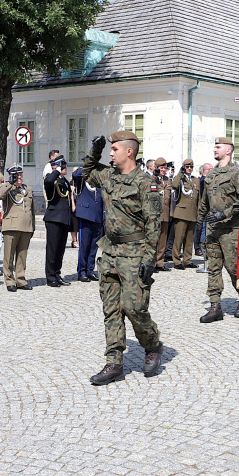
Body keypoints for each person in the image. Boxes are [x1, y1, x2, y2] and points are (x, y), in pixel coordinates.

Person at [80, 132, 164, 385]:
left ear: (129, 151)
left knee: (134, 308)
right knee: (112, 309)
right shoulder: (109, 175)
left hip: (135, 253)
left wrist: (150, 259)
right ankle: (114, 363)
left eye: (113, 149)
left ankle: (152, 345)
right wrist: (94, 151)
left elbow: (153, 222)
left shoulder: (144, 182)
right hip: (110, 252)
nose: (110, 153)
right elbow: (87, 173)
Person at [197, 138, 239, 322]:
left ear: (228, 150)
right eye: (215, 146)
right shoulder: (211, 174)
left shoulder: (237, 173)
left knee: (232, 267)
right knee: (213, 267)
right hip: (213, 228)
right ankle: (215, 307)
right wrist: (199, 224)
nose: (215, 149)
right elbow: (204, 201)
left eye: (218, 147)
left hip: (230, 229)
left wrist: (225, 213)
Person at [0, 165, 35, 291]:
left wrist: (32, 226)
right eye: (16, 175)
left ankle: (20, 279)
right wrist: (10, 183)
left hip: (26, 227)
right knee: (9, 256)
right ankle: (9, 281)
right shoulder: (7, 188)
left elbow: (32, 210)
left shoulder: (27, 189)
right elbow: (0, 195)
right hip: (11, 226)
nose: (19, 177)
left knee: (22, 256)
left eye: (21, 175)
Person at [42, 154, 73, 287]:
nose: (65, 167)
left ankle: (57, 274)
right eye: (62, 165)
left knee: (60, 250)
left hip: (64, 219)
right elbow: (48, 181)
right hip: (54, 219)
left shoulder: (64, 181)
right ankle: (50, 277)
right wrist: (57, 170)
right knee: (52, 249)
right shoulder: (51, 179)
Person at [72, 166, 103, 282]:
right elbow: (75, 175)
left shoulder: (100, 181)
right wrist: (88, 165)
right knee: (84, 246)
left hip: (97, 216)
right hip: (85, 215)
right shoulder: (83, 179)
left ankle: (90, 270)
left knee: (94, 246)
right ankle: (82, 271)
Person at [171, 158, 199, 269]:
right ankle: (177, 261)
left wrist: (199, 211)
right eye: (187, 167)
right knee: (179, 238)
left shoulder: (195, 180)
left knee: (189, 239)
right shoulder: (180, 179)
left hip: (192, 212)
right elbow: (174, 185)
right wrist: (180, 172)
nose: (189, 169)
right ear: (184, 167)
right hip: (181, 212)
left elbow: (199, 197)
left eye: (191, 167)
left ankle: (187, 260)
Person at [153, 158, 172, 270]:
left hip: (165, 213)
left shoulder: (167, 180)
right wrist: (155, 175)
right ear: (156, 168)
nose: (164, 170)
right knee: (154, 239)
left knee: (162, 240)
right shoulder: (153, 179)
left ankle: (160, 262)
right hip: (155, 214)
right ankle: (152, 263)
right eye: (161, 168)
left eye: (165, 168)